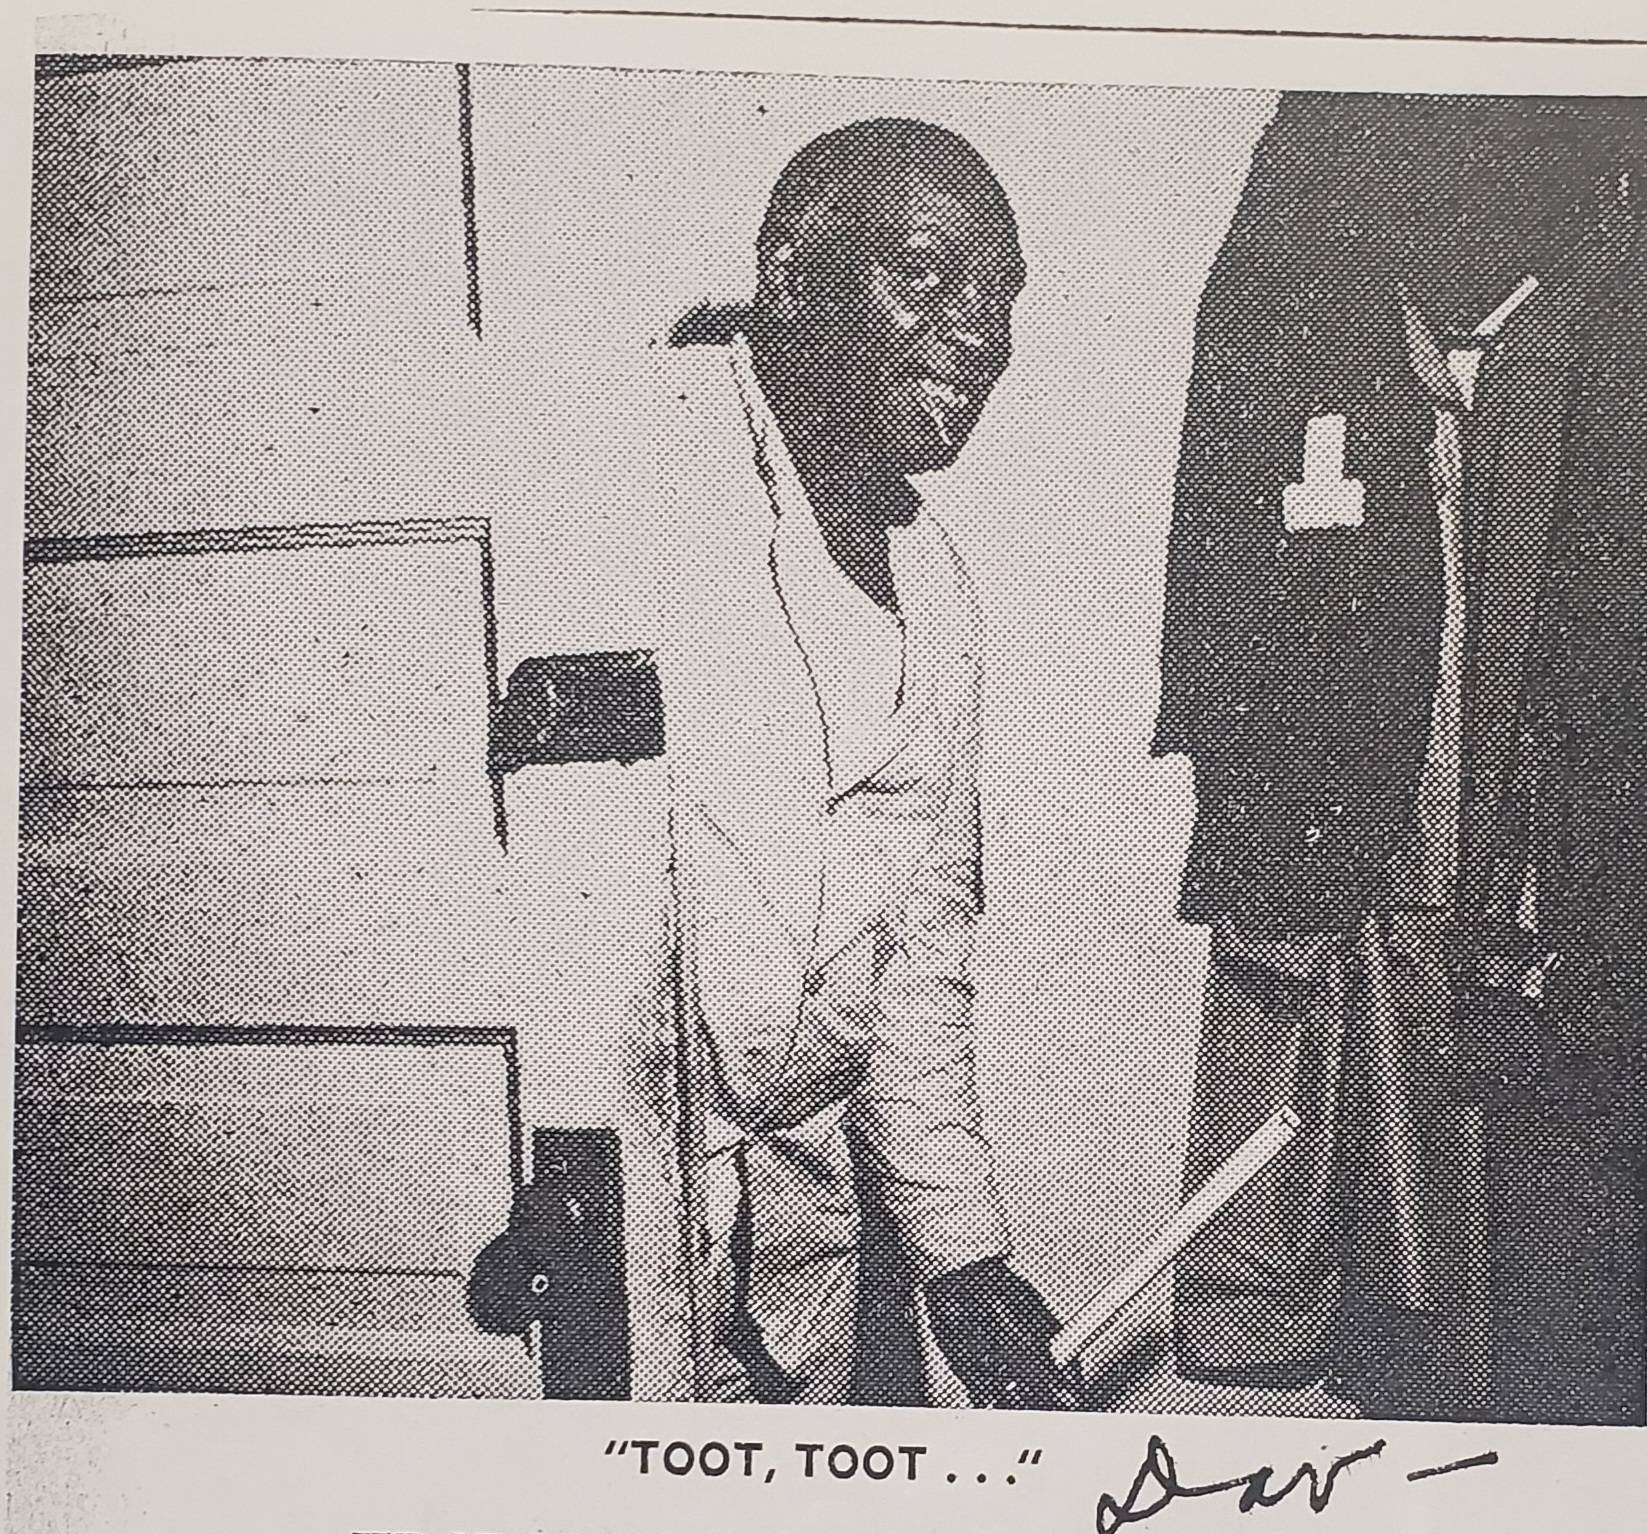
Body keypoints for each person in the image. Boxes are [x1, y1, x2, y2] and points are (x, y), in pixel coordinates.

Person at [1155, 92, 1647, 1424]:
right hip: (1378, 797)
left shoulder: (1587, 343)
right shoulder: (1319, 274)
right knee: (1362, 994)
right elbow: (1230, 467)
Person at [624, 118, 1075, 1408]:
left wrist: (968, 1262)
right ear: (805, 284)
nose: (973, 351)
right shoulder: (643, 509)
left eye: (995, 317)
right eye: (933, 290)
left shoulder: (933, 585)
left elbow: (919, 966)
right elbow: (564, 899)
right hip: (629, 1212)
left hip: (824, 1239)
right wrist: (587, 1203)